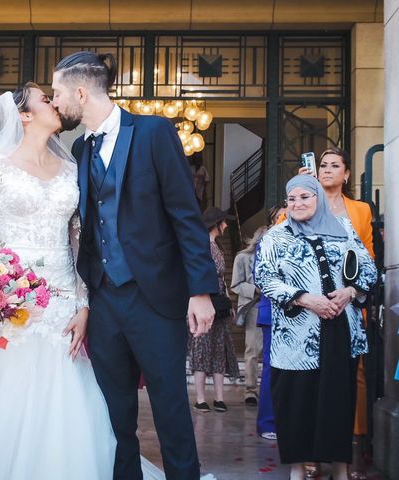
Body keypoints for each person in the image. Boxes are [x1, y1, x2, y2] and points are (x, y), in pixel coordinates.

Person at [0, 83, 116, 479]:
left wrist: (84, 304)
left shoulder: (72, 171)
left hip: (64, 296)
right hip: (12, 298)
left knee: (64, 390)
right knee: (10, 389)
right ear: (24, 116)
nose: (54, 104)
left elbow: (80, 240)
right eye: (45, 100)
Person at [52, 52, 218, 480]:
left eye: (58, 94)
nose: (55, 103)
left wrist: (200, 290)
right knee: (114, 412)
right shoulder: (80, 149)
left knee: (170, 408)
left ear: (82, 92)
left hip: (155, 298)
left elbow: (186, 214)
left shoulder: (154, 131)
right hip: (105, 300)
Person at [255, 175, 377, 480]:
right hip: (296, 338)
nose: (297, 204)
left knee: (337, 403)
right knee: (297, 405)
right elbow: (265, 278)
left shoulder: (344, 229)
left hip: (341, 332)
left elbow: (369, 268)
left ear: (318, 199)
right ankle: (299, 468)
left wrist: (350, 292)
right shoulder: (276, 237)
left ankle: (340, 468)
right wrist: (305, 299)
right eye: (291, 199)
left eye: (304, 197)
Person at [190, 207, 240, 413]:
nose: (226, 225)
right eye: (224, 222)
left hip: (218, 304)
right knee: (202, 349)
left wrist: (228, 302)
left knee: (219, 349)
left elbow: (222, 280)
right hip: (204, 303)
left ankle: (219, 398)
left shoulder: (215, 246)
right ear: (216, 224)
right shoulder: (202, 246)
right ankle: (201, 398)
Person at [255, 204, 286, 441]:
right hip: (272, 312)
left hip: (300, 313)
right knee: (270, 368)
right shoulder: (266, 242)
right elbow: (259, 280)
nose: (284, 218)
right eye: (279, 216)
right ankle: (268, 422)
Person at [231, 226, 267, 406]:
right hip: (255, 306)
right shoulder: (242, 258)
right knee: (252, 350)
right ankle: (250, 390)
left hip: (276, 306)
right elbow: (235, 285)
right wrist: (255, 289)